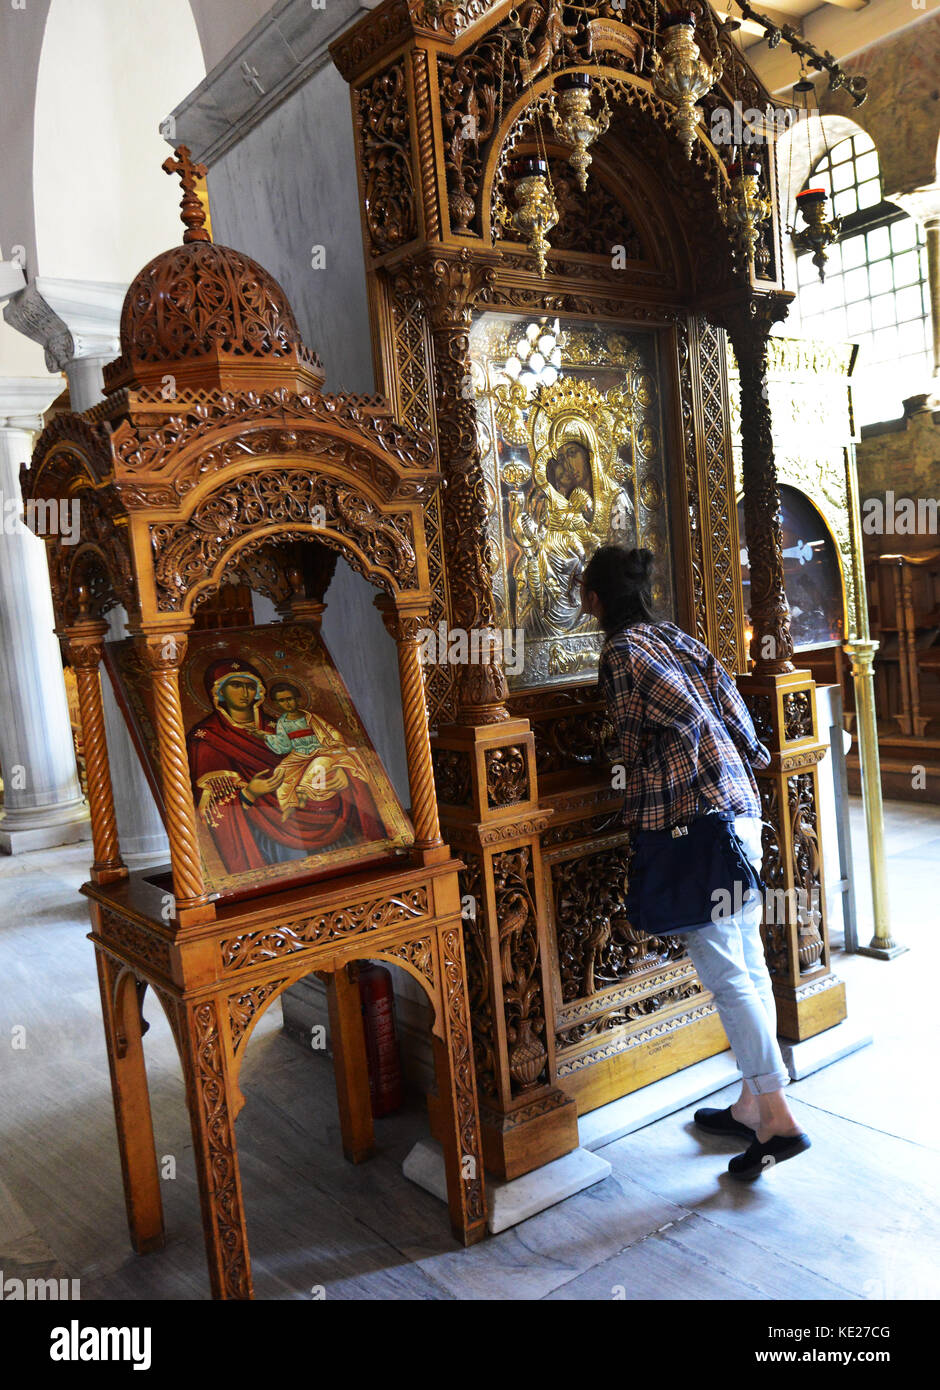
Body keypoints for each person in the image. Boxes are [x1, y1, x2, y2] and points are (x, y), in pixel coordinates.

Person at [580, 543, 811, 1180]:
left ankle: (777, 1117)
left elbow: (628, 744)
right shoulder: (675, 637)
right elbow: (735, 717)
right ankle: (751, 1102)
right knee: (750, 963)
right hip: (738, 807)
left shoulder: (622, 653)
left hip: (694, 826)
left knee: (727, 973)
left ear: (595, 600)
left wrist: (623, 790)